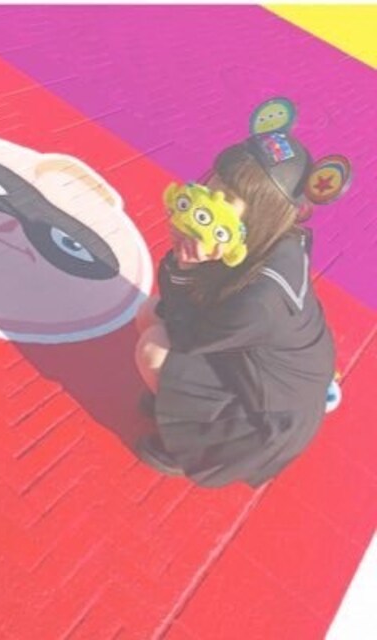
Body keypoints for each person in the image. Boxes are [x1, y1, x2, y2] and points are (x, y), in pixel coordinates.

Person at [133, 101, 351, 488]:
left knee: (154, 347)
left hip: (265, 424)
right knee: (150, 313)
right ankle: (181, 404)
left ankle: (199, 446)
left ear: (263, 210)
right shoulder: (271, 238)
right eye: (216, 181)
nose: (210, 195)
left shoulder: (262, 298)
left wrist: (185, 266)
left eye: (228, 194)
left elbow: (188, 335)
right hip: (256, 373)